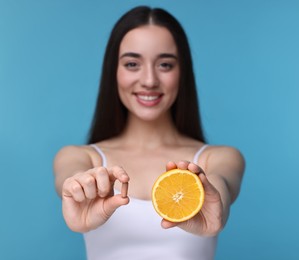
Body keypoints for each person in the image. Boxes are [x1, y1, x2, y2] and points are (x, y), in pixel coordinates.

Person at [53, 5, 245, 260]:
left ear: (182, 73)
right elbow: (70, 179)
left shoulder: (219, 158)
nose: (149, 80)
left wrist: (216, 203)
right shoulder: (82, 158)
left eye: (165, 65)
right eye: (132, 64)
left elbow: (220, 185)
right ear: (114, 72)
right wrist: (78, 188)